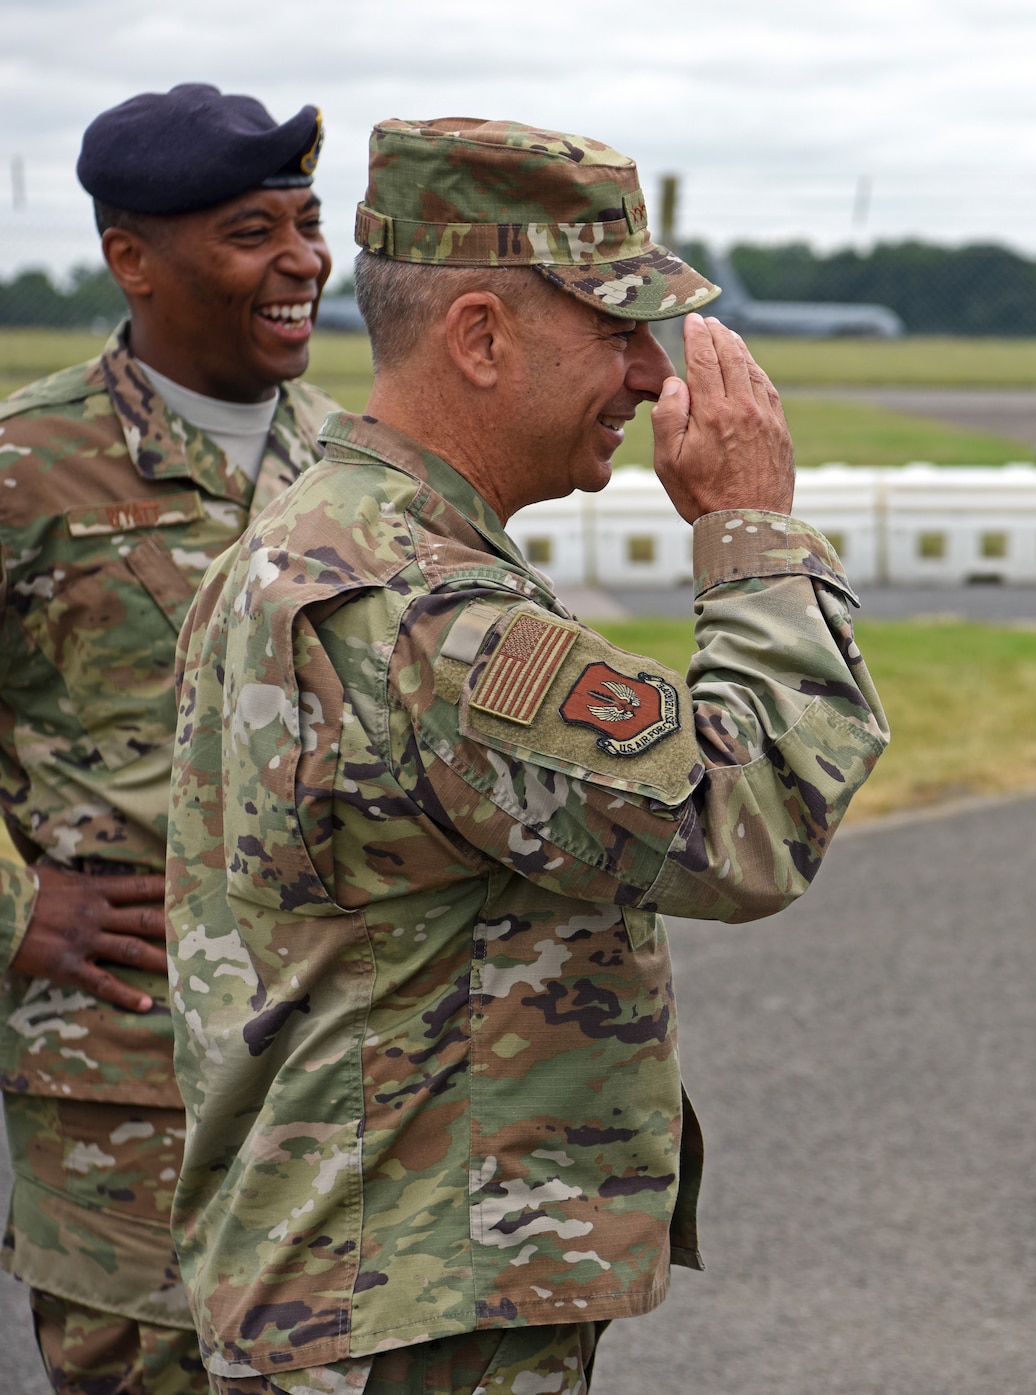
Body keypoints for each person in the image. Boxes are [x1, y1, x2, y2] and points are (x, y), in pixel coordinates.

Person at [166, 117, 890, 1395]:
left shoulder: (314, 537)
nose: (652, 379)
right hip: (413, 1307)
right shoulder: (434, 617)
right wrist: (752, 534)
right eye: (616, 331)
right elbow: (753, 824)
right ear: (482, 338)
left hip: (353, 1282)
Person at [0, 84, 337, 1394]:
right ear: (132, 257)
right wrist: (16, 909)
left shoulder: (354, 469)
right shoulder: (28, 468)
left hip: (333, 1076)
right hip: (126, 1090)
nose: (304, 258)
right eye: (256, 229)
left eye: (308, 224)